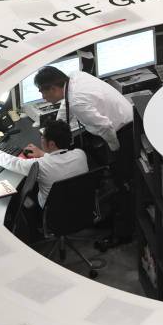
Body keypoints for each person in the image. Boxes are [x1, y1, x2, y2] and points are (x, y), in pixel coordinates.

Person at [34, 66, 134, 246]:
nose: (43, 98)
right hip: (122, 118)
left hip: (122, 132)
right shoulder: (74, 77)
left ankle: (123, 233)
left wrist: (116, 150)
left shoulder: (77, 101)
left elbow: (105, 127)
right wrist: (53, 131)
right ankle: (114, 219)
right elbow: (67, 105)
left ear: (54, 89)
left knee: (122, 184)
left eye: (43, 92)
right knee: (116, 180)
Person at [0, 119, 89, 210]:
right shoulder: (80, 155)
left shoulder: (40, 166)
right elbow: (59, 160)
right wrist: (42, 153)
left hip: (53, 213)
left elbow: (11, 162)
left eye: (43, 137)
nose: (41, 139)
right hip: (81, 206)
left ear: (52, 144)